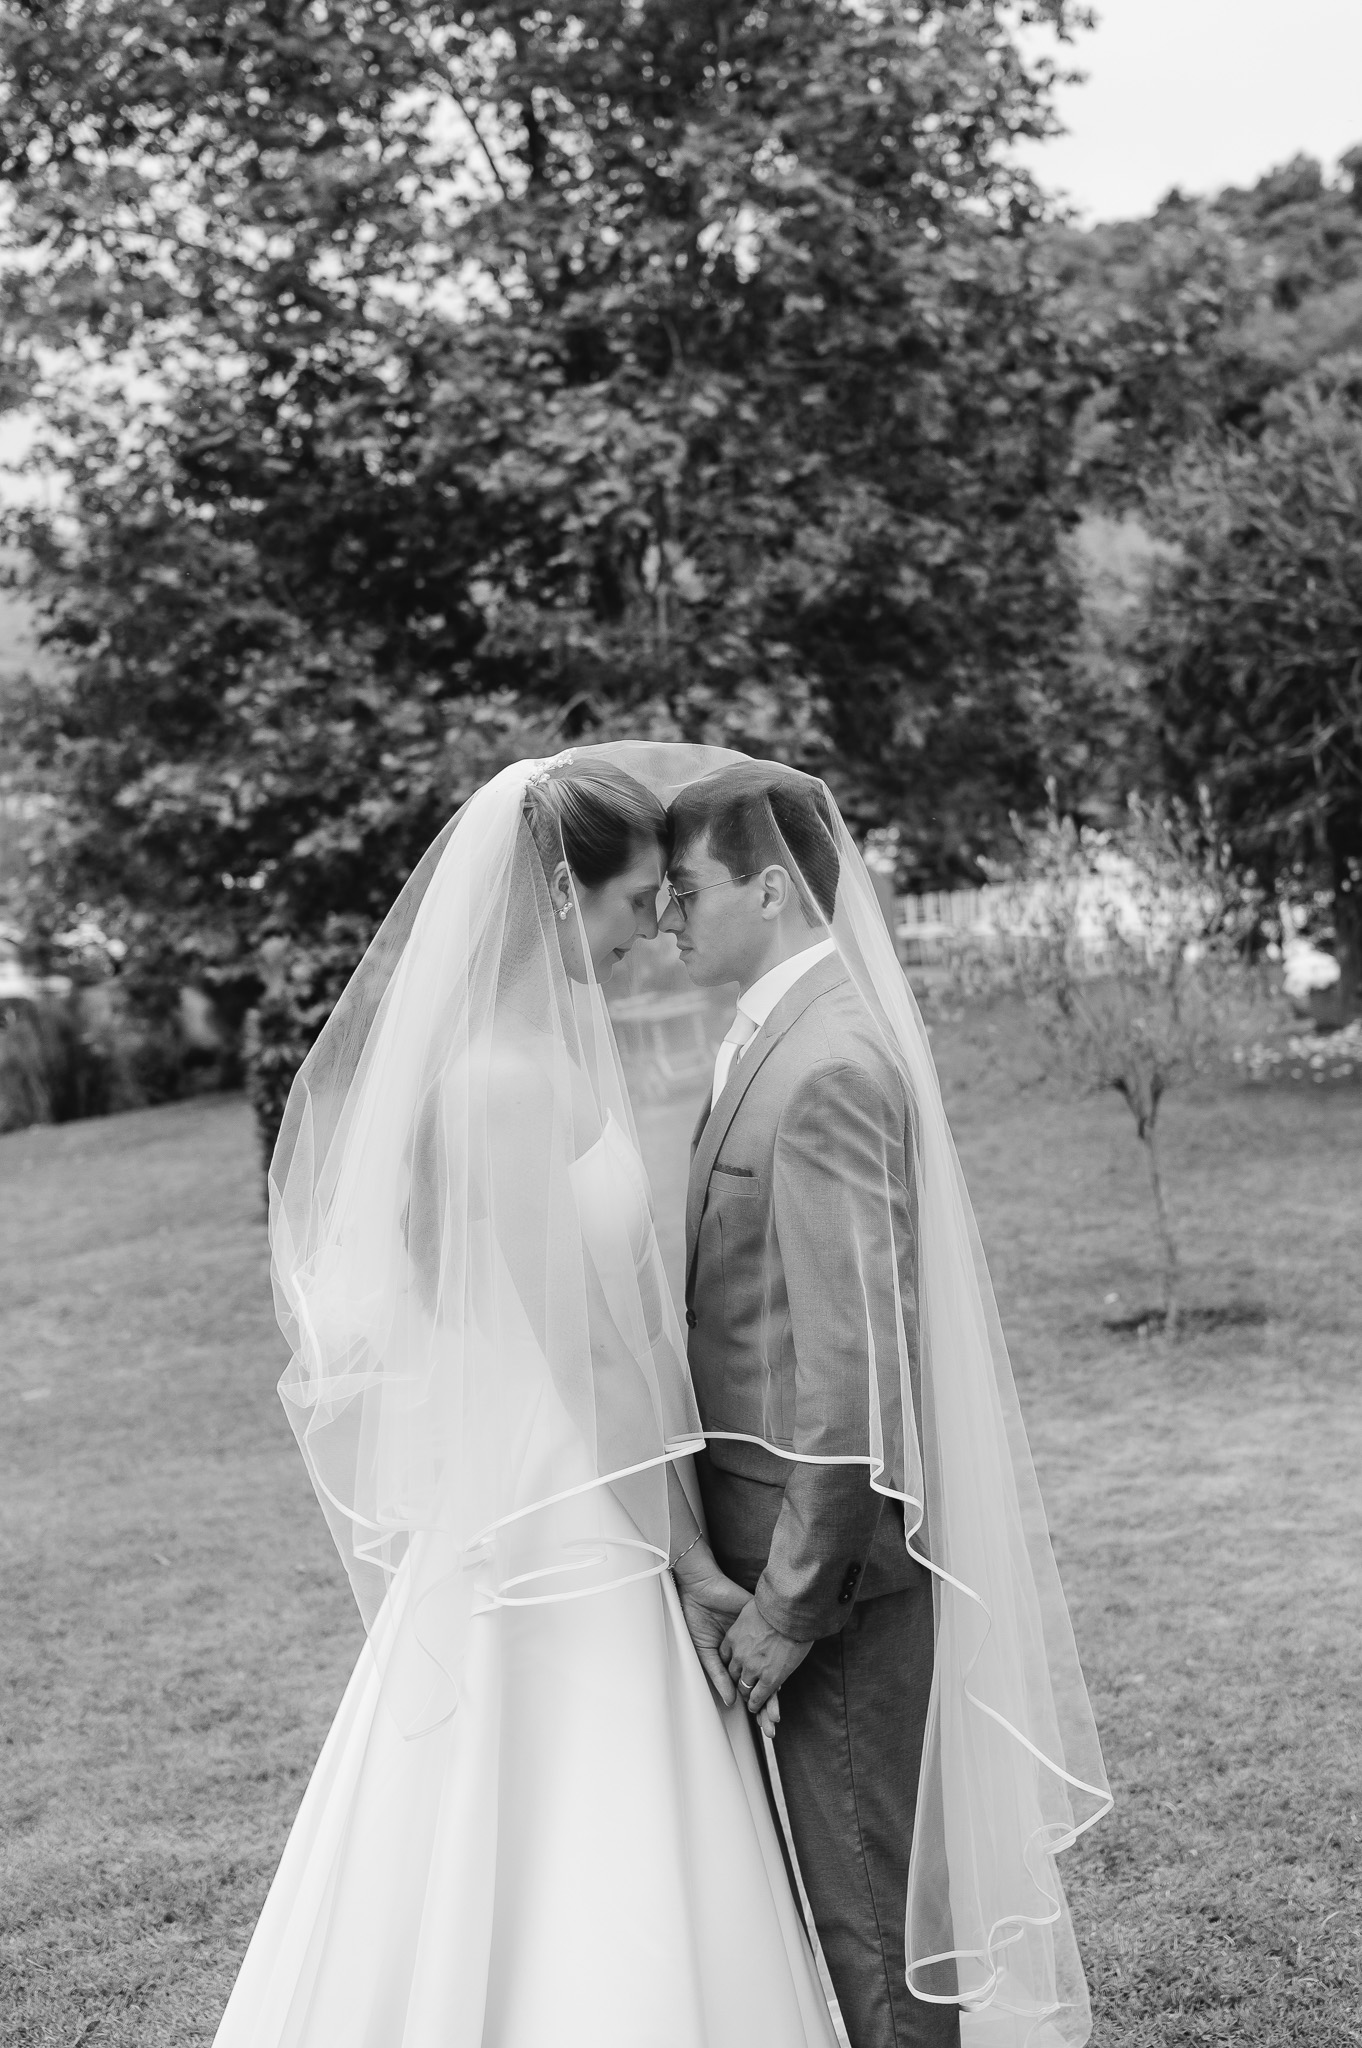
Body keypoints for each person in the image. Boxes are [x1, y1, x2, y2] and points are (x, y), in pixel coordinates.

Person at [212, 751, 840, 2048]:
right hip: (559, 1512)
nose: (647, 933)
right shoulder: (500, 1082)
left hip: (578, 1474)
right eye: (632, 904)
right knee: (565, 1801)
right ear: (559, 894)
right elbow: (586, 1361)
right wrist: (686, 1564)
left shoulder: (524, 1059)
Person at [660, 759, 1112, 2048]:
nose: (672, 917)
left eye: (688, 890)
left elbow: (855, 1374)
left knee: (874, 1922)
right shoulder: (767, 1038)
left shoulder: (829, 1066)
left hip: (828, 1584)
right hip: (761, 1553)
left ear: (769, 888)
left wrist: (791, 1604)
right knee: (837, 1909)